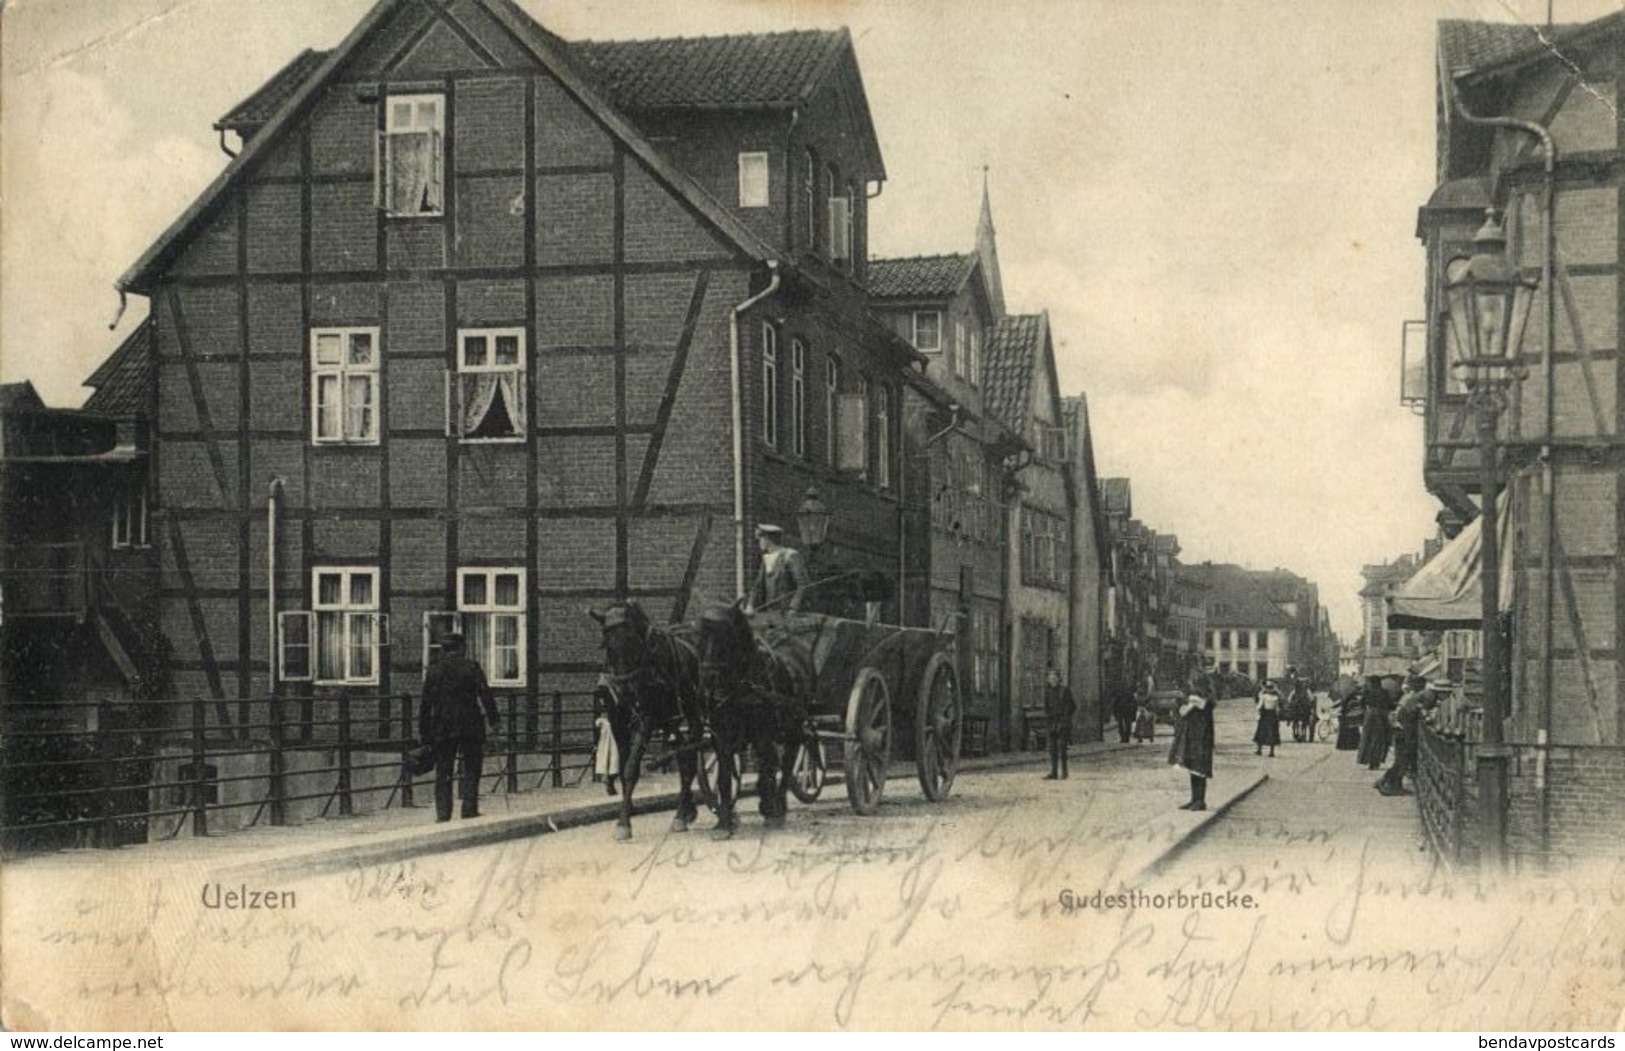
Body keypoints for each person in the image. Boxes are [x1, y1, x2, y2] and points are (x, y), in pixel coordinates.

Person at [418, 632, 500, 822]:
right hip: (470, 725)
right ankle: (469, 809)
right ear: (461, 648)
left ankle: (443, 814)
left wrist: (424, 732)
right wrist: (494, 720)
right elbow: (485, 695)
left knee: (443, 770)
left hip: (442, 727)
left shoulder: (434, 671)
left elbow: (425, 705)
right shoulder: (471, 667)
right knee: (472, 767)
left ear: (443, 650)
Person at [1169, 677, 1215, 811]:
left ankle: (1200, 801)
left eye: (1193, 685)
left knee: (1200, 768)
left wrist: (1187, 701)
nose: (1191, 687)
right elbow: (1183, 711)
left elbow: (1186, 710)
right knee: (1193, 768)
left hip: (1201, 738)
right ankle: (1195, 799)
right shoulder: (1201, 699)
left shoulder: (1204, 700)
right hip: (1194, 737)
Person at [745, 523, 809, 614]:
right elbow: (758, 584)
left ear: (768, 539)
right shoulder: (766, 558)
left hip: (788, 612)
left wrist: (793, 607)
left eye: (761, 539)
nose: (760, 542)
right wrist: (750, 605)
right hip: (771, 612)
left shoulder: (790, 555)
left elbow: (802, 584)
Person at [1377, 676, 1426, 795]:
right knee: (1402, 761)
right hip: (1403, 731)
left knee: (1400, 761)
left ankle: (1386, 781)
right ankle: (1392, 786)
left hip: (1399, 729)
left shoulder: (1408, 697)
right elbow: (1405, 715)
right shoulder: (1412, 698)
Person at [1042, 667, 1076, 780]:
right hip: (1052, 722)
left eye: (1054, 678)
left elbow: (1072, 706)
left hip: (1062, 722)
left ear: (1058, 679)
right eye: (1050, 678)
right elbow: (1046, 707)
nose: (1052, 680)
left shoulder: (1064, 691)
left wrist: (1065, 717)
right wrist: (1048, 718)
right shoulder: (1047, 692)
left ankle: (1064, 772)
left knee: (1062, 748)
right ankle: (1054, 772)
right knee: (1052, 749)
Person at [1358, 676, 1398, 771]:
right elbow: (1390, 705)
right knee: (1379, 739)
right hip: (1381, 715)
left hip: (1369, 715)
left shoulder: (1367, 692)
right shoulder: (1384, 692)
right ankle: (1376, 761)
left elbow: (1362, 703)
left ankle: (1368, 759)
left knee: (1367, 738)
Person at [1253, 681, 1281, 757]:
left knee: (1261, 732)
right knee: (1273, 733)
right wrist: (1277, 716)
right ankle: (1271, 752)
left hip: (1265, 715)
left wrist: (1258, 711)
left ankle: (1259, 750)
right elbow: (1277, 709)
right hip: (1273, 715)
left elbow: (1259, 706)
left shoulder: (1263, 696)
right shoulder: (1275, 697)